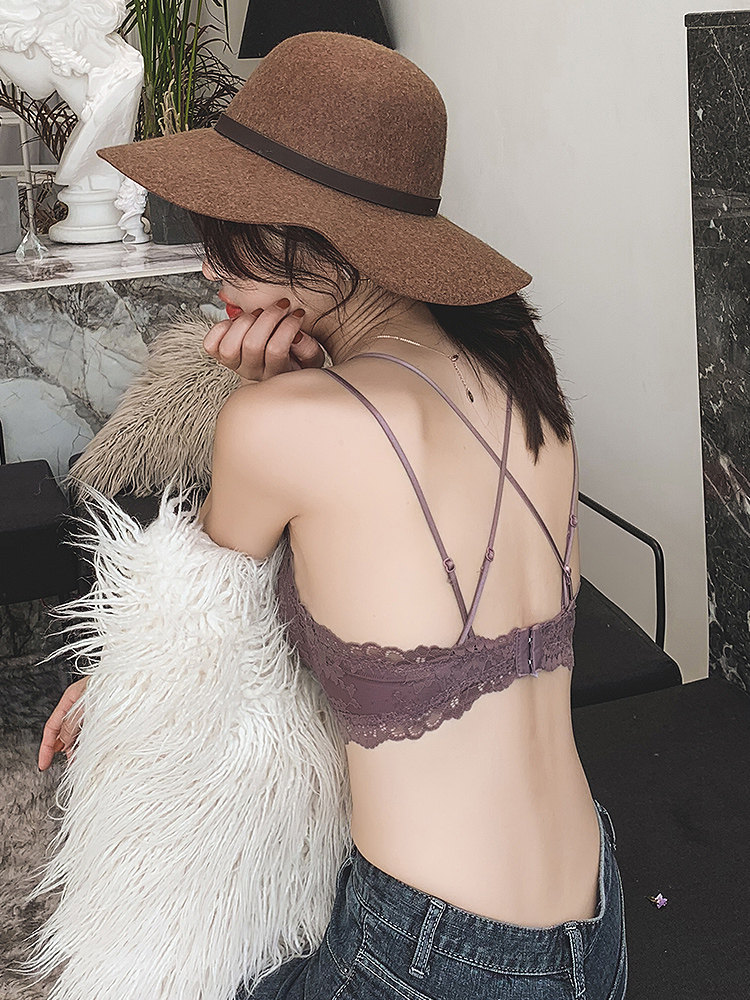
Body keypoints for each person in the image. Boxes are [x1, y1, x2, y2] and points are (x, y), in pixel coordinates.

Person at [39, 29, 627, 1000]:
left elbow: (192, 641)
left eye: (228, 227)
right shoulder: (520, 374)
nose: (208, 267)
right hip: (589, 920)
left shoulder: (283, 425)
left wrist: (256, 398)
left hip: (432, 955)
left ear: (313, 235)